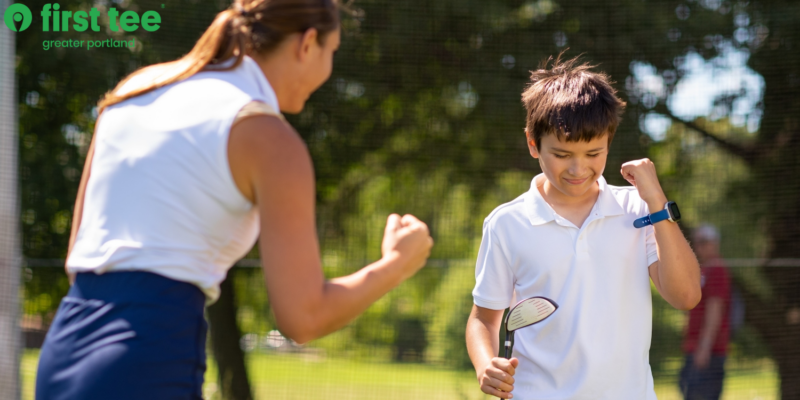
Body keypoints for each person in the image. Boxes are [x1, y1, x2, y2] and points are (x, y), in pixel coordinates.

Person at [35, 1, 434, 399]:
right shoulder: (268, 137)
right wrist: (396, 264)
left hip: (65, 345)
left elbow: (81, 250)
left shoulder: (136, 88)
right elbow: (304, 317)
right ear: (307, 43)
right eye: (332, 52)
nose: (329, 71)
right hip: (145, 358)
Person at [465, 55, 701, 399]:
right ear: (534, 143)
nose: (578, 169)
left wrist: (656, 200)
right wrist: (486, 364)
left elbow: (686, 296)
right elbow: (483, 320)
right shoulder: (506, 223)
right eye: (562, 155)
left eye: (594, 154)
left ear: (609, 141)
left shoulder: (639, 209)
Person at [680, 224, 731, 400]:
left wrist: (704, 346)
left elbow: (715, 309)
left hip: (709, 350)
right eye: (697, 242)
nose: (699, 246)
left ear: (714, 243)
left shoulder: (717, 269)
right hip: (695, 347)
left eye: (704, 242)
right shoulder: (703, 269)